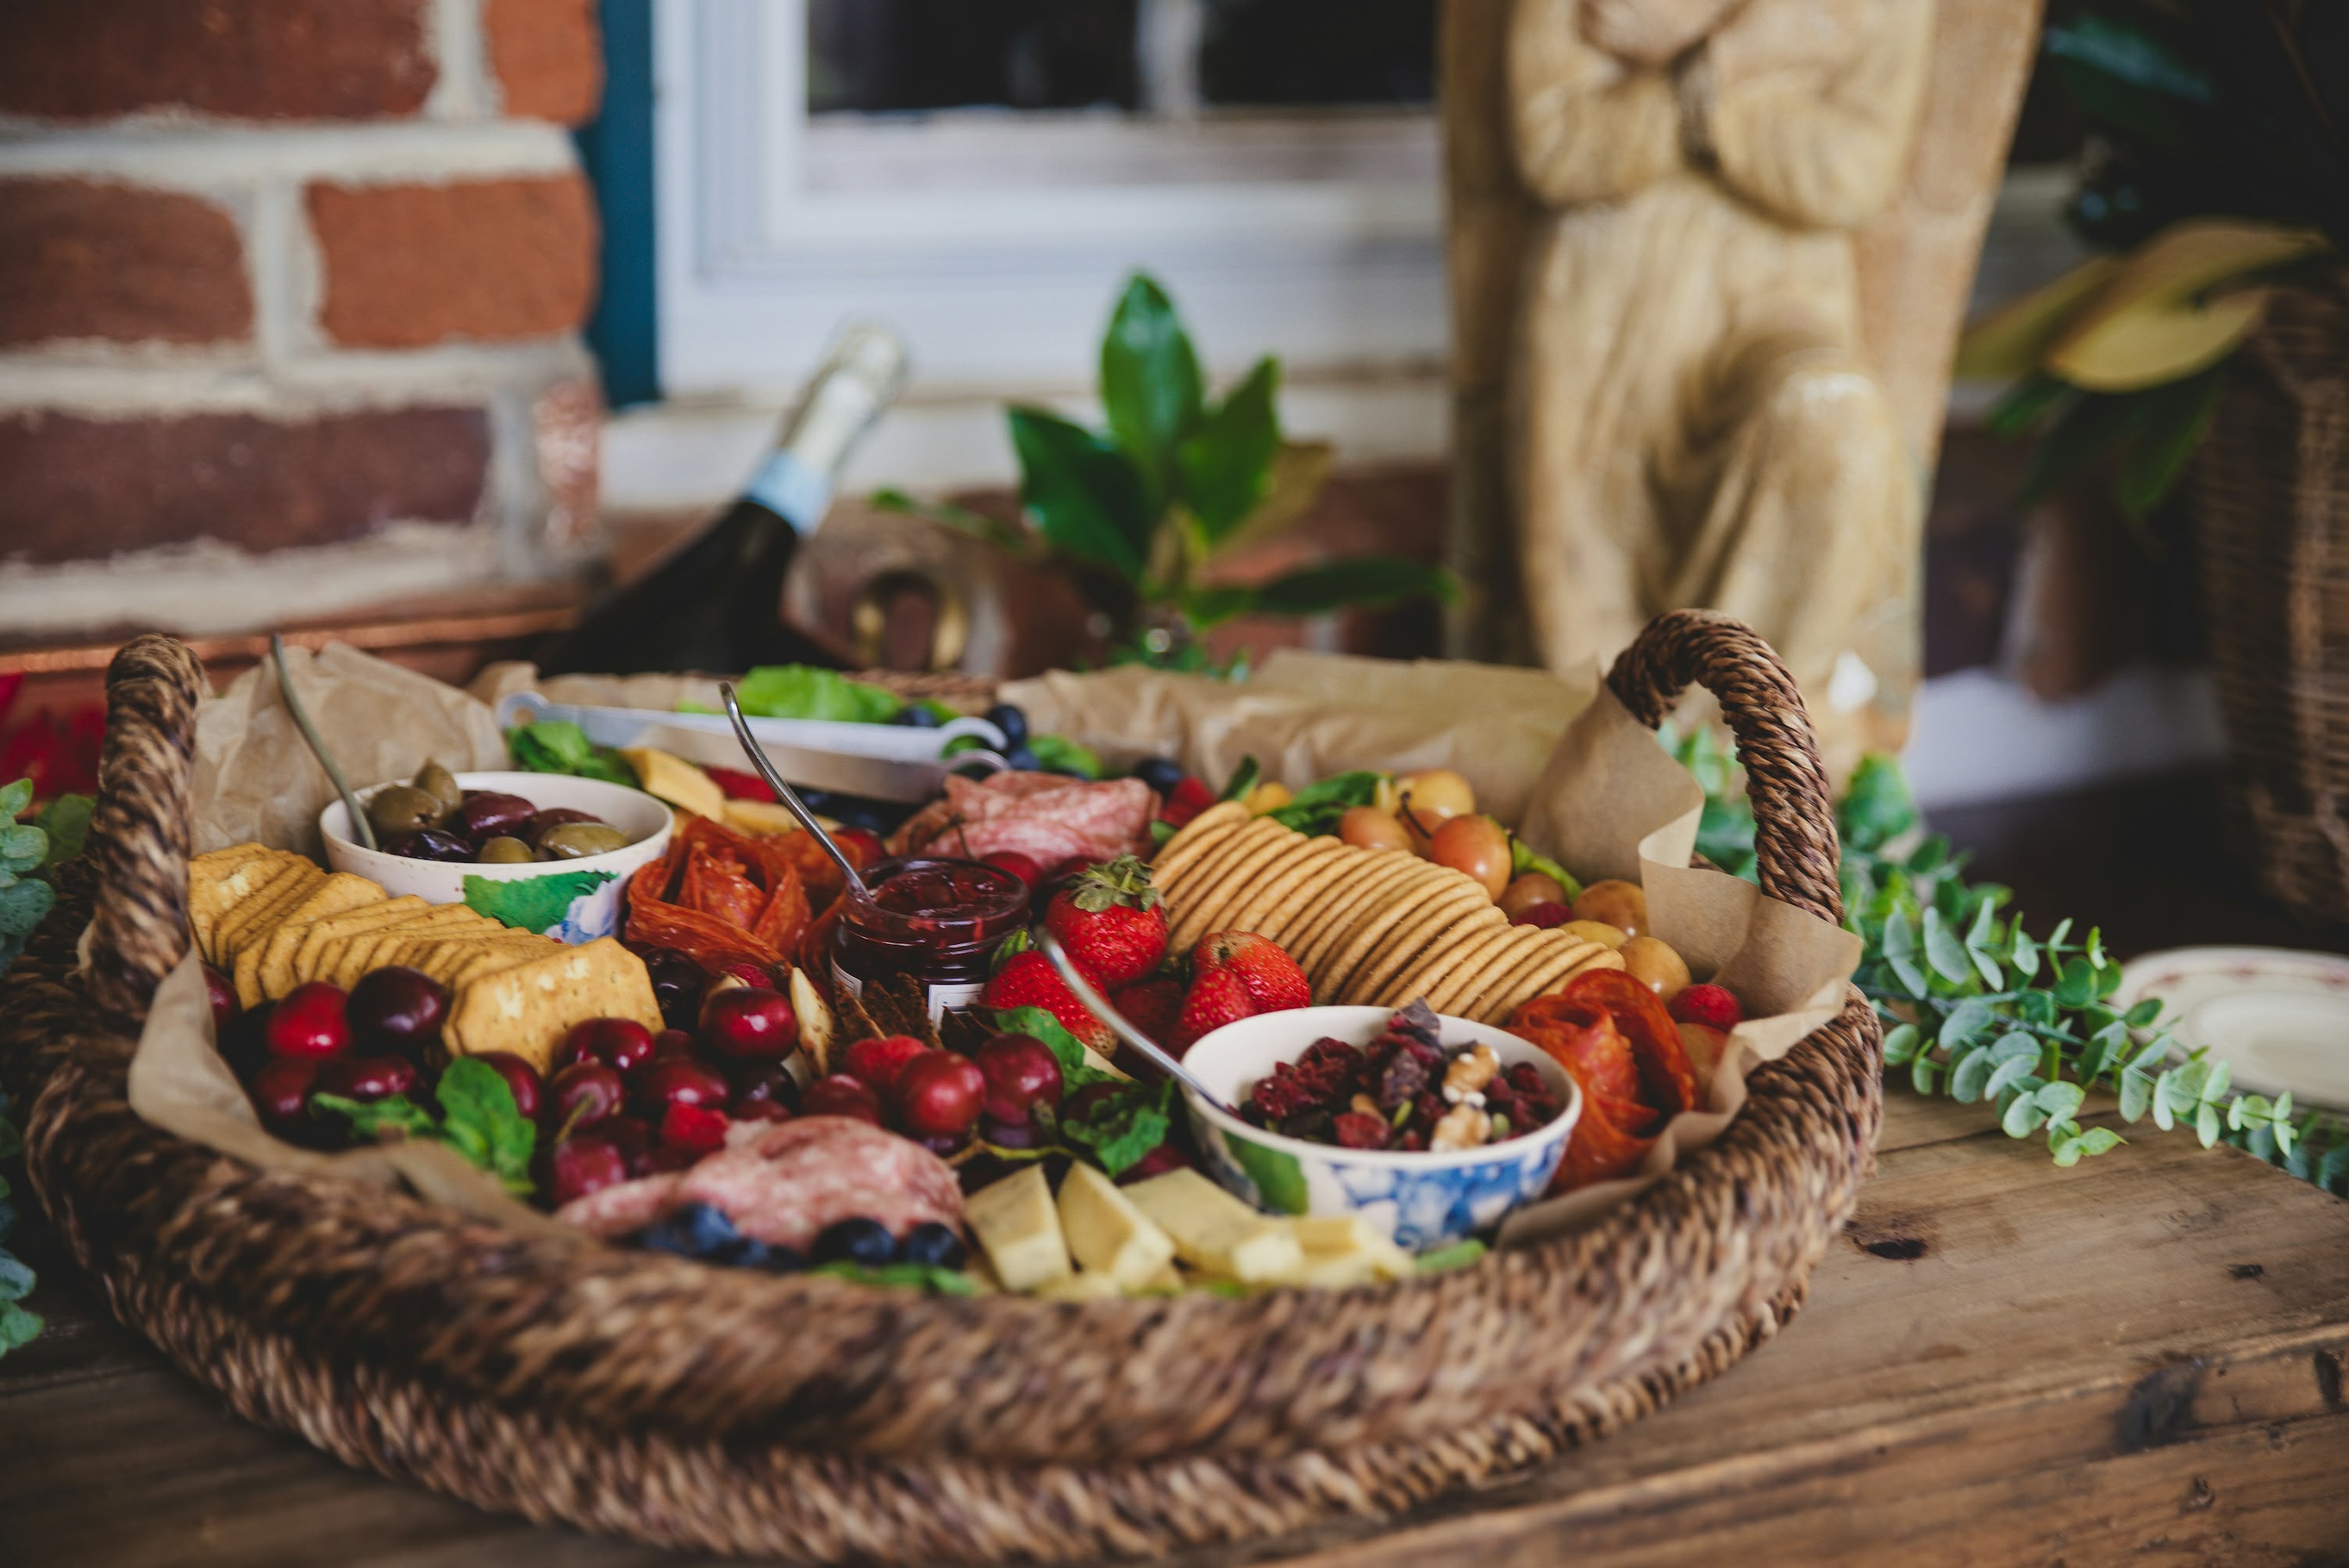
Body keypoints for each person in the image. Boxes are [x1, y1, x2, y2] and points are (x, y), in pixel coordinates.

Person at [1506, 0, 1933, 769]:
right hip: (1605, 329)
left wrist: (1691, 70)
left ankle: (1758, 768)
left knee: (1835, 426)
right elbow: (1556, 146)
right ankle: (1623, 795)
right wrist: (1749, 62)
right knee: (1579, 644)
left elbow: (1850, 173)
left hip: (1781, 298)